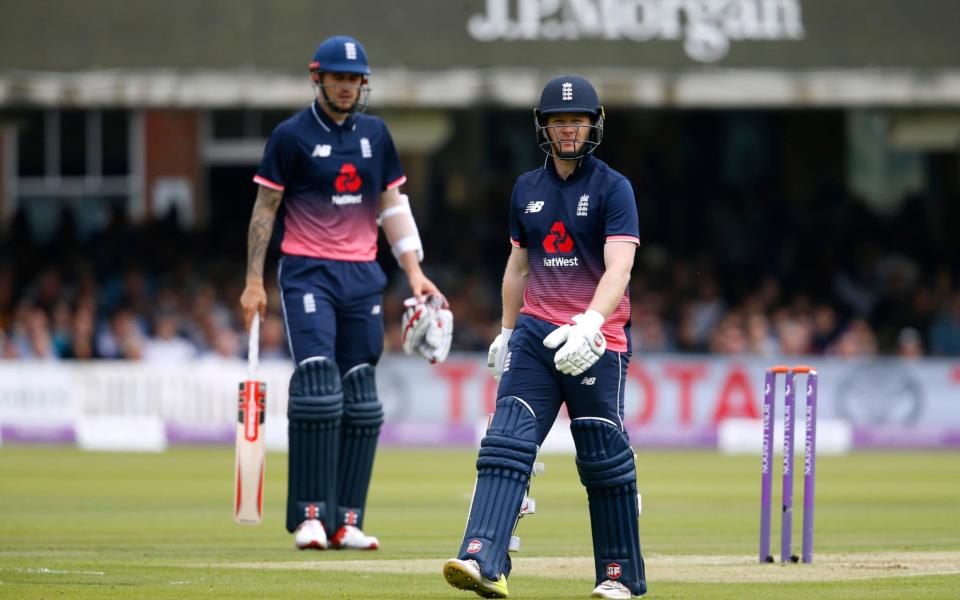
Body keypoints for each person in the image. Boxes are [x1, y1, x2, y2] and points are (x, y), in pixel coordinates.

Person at [442, 76, 647, 599]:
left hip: (596, 340)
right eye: (559, 120)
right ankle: (483, 558)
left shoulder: (613, 188)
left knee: (602, 453)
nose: (569, 129)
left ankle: (618, 577)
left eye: (577, 120)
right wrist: (507, 332)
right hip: (536, 334)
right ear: (544, 128)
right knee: (507, 438)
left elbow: (619, 268)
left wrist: (592, 321)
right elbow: (517, 267)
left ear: (594, 124)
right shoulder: (526, 189)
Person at [239, 35, 443, 551]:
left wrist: (414, 271)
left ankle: (347, 520)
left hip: (363, 277)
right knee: (317, 386)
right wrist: (252, 282)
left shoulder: (377, 136)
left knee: (361, 399)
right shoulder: (291, 136)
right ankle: (310, 515)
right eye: (339, 78)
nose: (348, 87)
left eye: (356, 79)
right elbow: (265, 211)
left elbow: (392, 205)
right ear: (318, 78)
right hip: (307, 271)